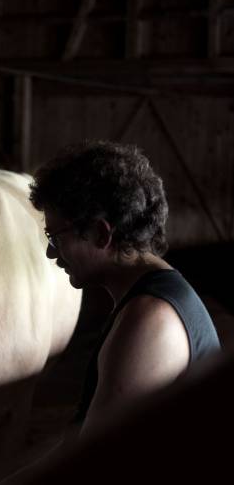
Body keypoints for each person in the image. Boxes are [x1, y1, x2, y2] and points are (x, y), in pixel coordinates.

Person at [28, 140, 221, 437]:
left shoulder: (150, 318)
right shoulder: (154, 297)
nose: (51, 253)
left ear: (100, 233)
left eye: (56, 238)